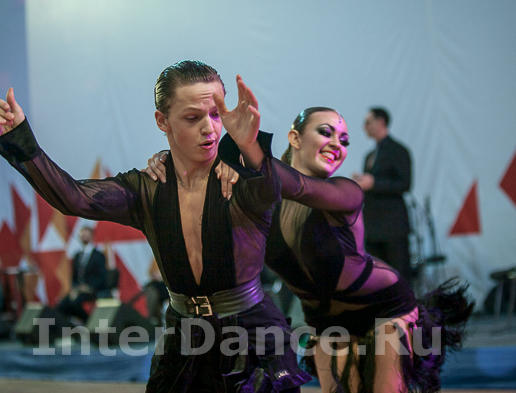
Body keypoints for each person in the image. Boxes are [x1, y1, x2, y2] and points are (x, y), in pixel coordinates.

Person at [0, 60, 310, 393]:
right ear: (162, 121)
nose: (209, 128)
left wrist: (248, 147)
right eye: (192, 118)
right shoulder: (147, 188)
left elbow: (268, 188)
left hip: (253, 337)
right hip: (184, 339)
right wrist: (20, 140)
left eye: (216, 115)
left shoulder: (240, 177)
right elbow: (74, 198)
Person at [147, 106, 474, 393]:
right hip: (325, 324)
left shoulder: (346, 192)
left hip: (386, 310)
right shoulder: (258, 206)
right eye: (326, 132)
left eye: (344, 141)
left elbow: (295, 185)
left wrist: (247, 143)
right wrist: (170, 162)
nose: (337, 144)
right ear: (295, 138)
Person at [353, 107, 413, 283]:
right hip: (373, 227)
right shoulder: (370, 155)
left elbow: (405, 184)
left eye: (368, 122)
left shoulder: (398, 150)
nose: (364, 127)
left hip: (393, 226)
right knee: (377, 278)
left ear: (381, 122)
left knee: (399, 276)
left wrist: (374, 183)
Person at [56, 226, 107, 323]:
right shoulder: (77, 256)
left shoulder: (99, 256)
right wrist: (75, 289)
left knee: (74, 303)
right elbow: (74, 277)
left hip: (92, 290)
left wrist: (88, 287)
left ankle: (89, 322)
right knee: (61, 305)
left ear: (92, 236)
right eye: (82, 235)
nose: (84, 237)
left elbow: (101, 277)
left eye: (86, 234)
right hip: (78, 291)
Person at [144, 258, 169, 326]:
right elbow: (152, 273)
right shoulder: (160, 256)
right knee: (151, 290)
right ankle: (154, 321)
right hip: (162, 285)